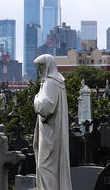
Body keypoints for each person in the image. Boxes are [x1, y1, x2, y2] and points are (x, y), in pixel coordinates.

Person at [33, 54, 72, 189]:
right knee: (50, 165)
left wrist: (36, 99)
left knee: (45, 165)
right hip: (51, 129)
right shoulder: (55, 81)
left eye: (40, 67)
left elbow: (46, 108)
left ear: (46, 66)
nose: (39, 71)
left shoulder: (51, 83)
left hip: (50, 131)